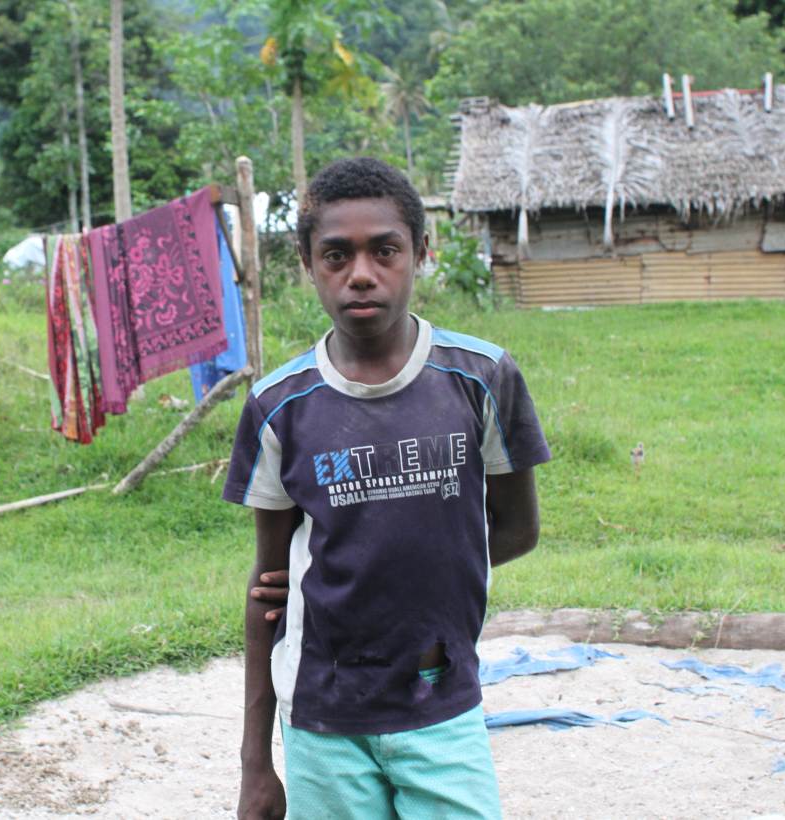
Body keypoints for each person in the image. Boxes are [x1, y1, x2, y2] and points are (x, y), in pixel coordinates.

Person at [222, 157, 551, 819]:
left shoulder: (482, 378)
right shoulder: (280, 405)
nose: (362, 274)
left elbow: (514, 529)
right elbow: (269, 589)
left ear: (422, 254)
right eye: (337, 255)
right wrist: (255, 764)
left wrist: (419, 566)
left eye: (386, 250)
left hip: (443, 698)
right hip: (323, 716)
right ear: (308, 264)